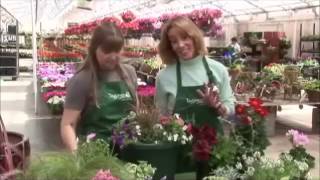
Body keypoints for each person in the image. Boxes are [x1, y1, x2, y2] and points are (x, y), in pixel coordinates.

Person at [156, 16, 235, 179]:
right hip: (180, 153)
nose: (180, 45)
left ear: (195, 36)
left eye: (185, 37)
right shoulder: (164, 77)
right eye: (173, 41)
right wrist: (168, 122)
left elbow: (230, 109)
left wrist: (217, 106)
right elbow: (161, 117)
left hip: (216, 151)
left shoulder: (218, 70)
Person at [60, 22, 138, 152]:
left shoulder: (129, 73)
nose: (113, 57)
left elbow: (135, 109)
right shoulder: (82, 79)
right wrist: (75, 155)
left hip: (128, 149)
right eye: (107, 51)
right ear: (94, 49)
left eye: (117, 50)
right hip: (95, 153)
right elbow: (68, 124)